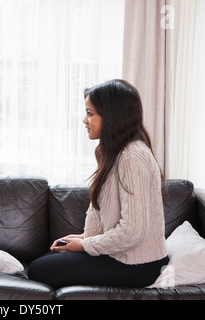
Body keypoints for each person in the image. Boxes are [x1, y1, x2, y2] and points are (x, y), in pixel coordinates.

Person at [28, 79, 168, 289]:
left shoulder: (132, 157)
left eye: (90, 113)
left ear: (112, 117)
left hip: (138, 263)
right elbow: (103, 212)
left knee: (38, 270)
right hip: (122, 255)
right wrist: (84, 238)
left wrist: (85, 245)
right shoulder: (114, 153)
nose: (85, 120)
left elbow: (133, 232)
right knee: (50, 256)